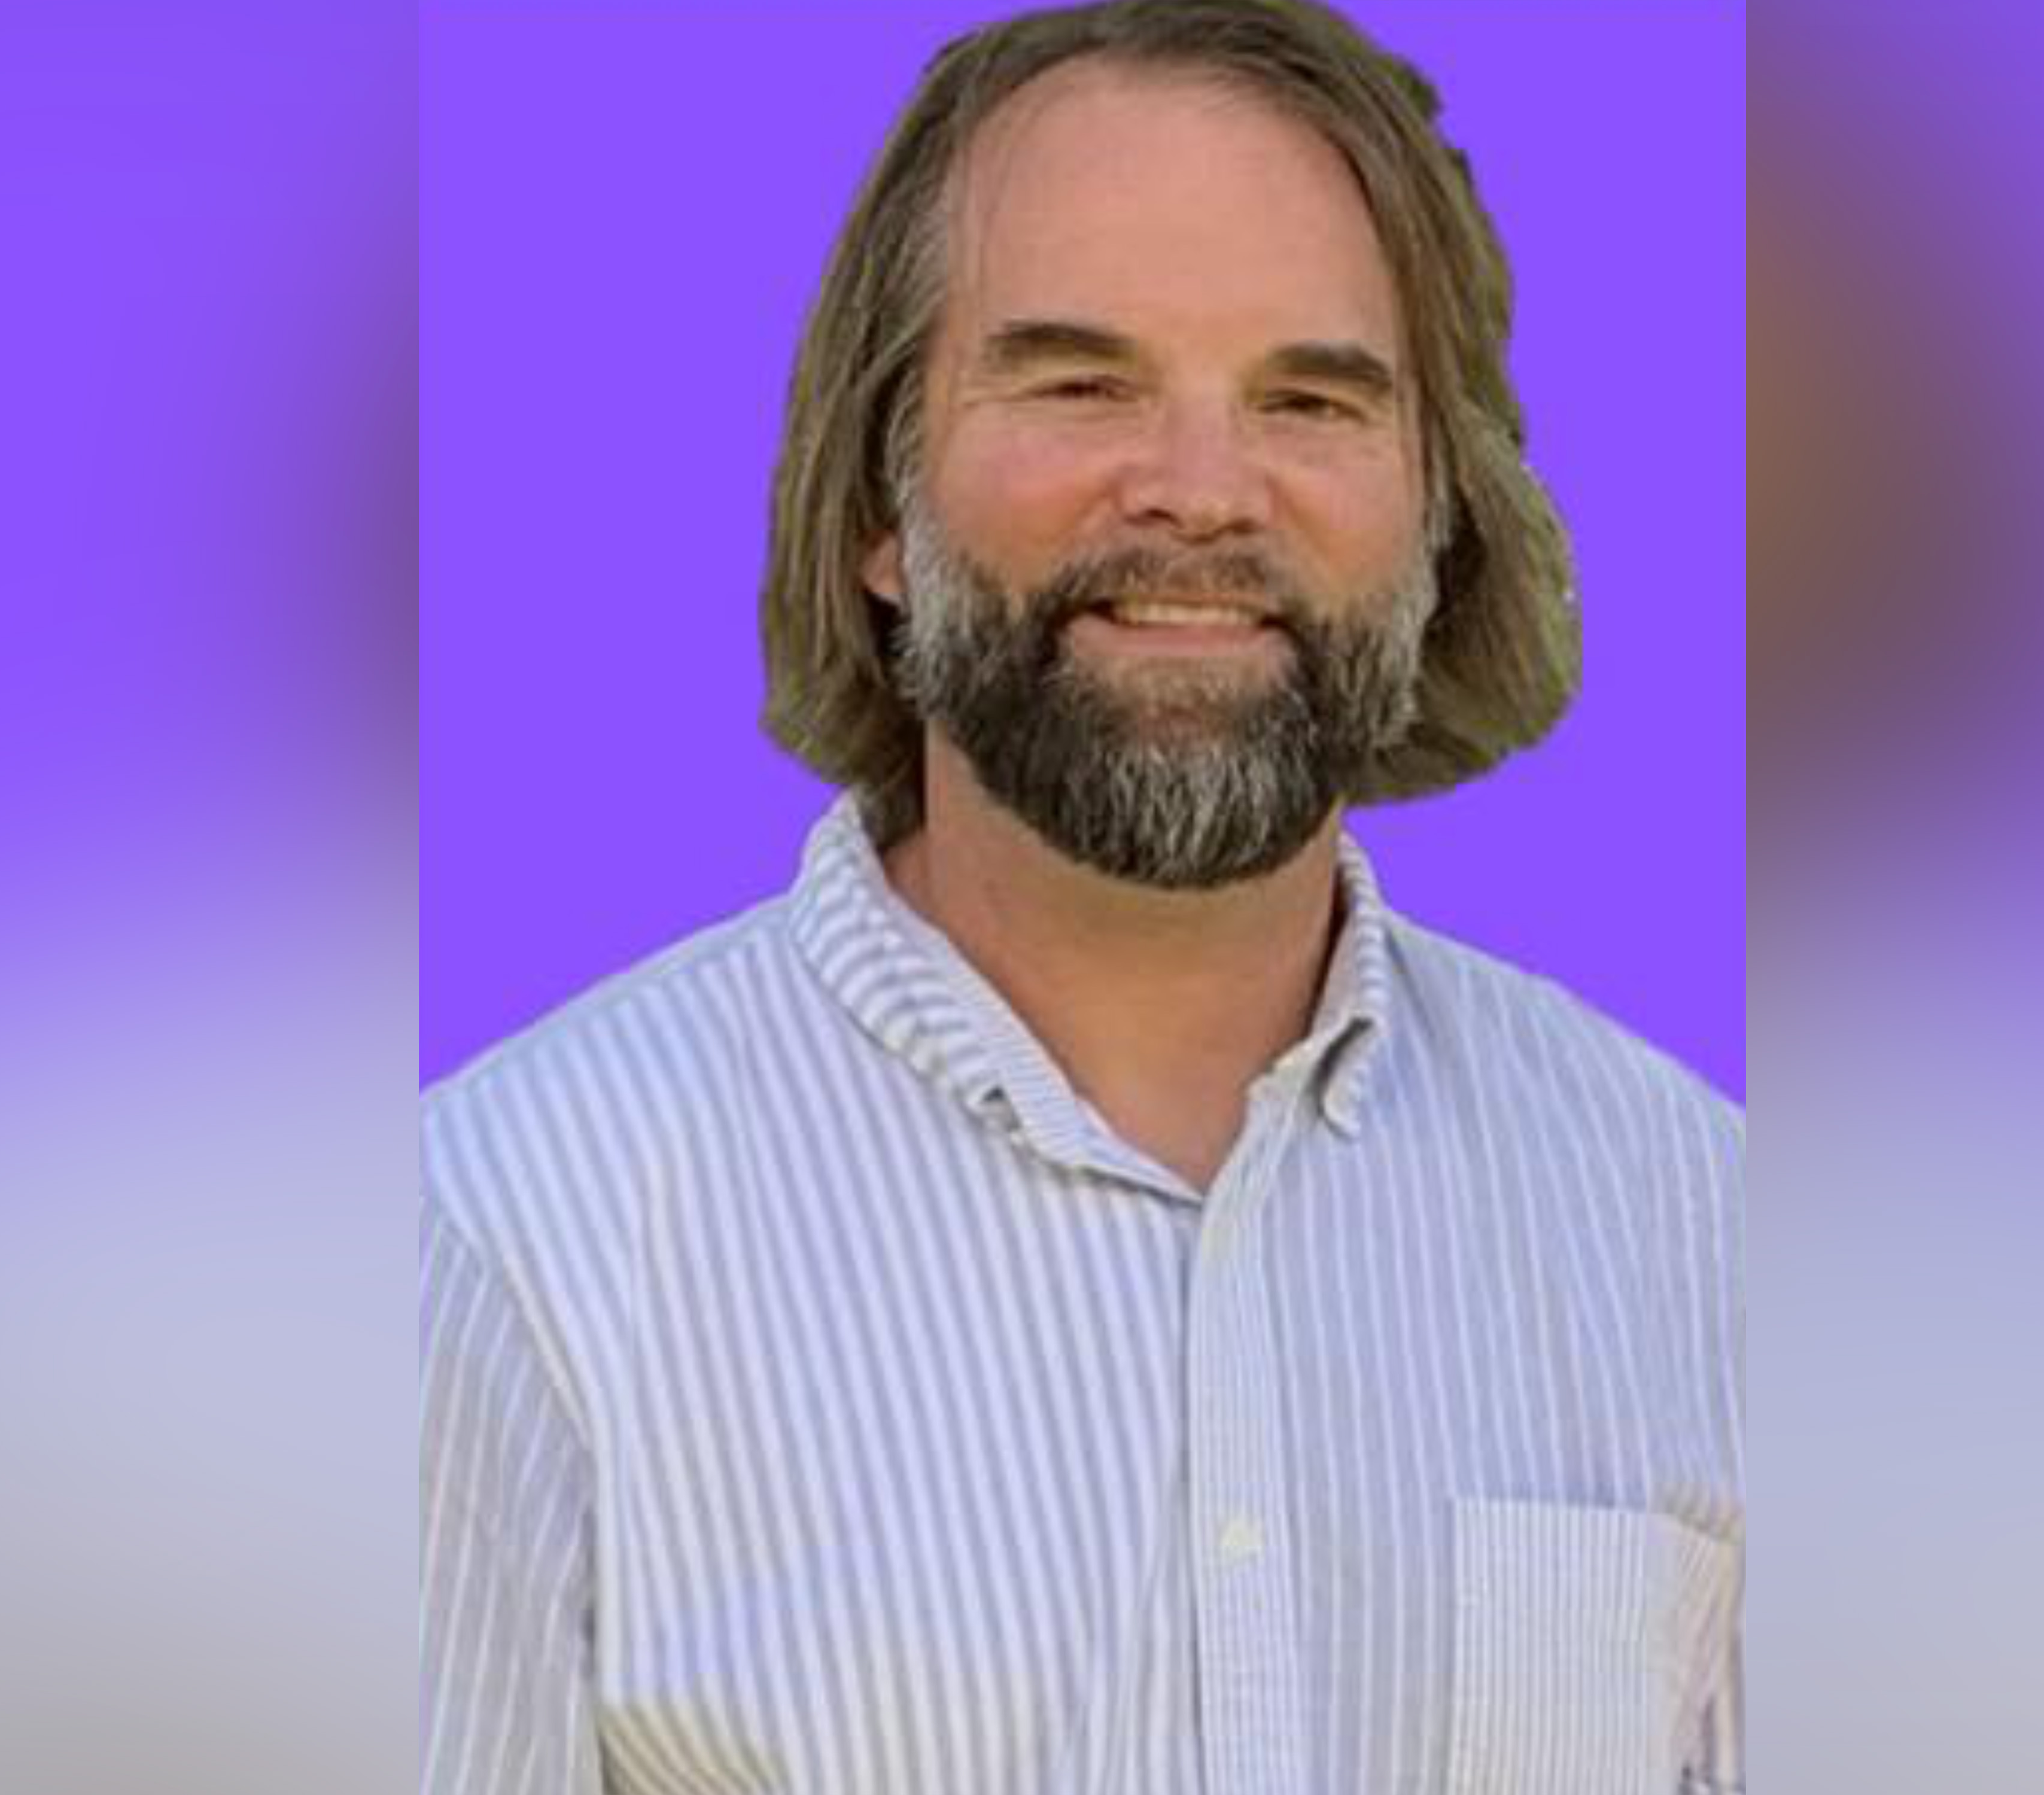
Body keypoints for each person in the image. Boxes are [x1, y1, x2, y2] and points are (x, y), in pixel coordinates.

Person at [421, 2, 1742, 1790]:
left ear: (1441, 520)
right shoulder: (506, 1249)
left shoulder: (1701, 1229)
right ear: (880, 507)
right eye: (1078, 381)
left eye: (1311, 399)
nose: (1200, 493)